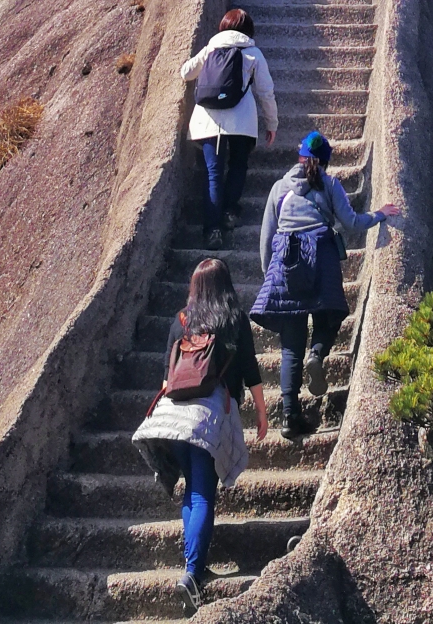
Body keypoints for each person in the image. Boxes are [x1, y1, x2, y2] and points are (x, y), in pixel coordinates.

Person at [132, 258, 265, 613]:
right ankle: (192, 574)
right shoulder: (234, 319)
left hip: (174, 418)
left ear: (195, 287)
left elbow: (167, 379)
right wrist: (262, 416)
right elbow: (251, 372)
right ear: (226, 285)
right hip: (207, 417)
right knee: (204, 492)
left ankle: (195, 565)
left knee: (192, 489)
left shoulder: (181, 321)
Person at [251, 131, 399, 435]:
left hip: (286, 265)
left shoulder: (279, 188)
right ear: (326, 163)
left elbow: (266, 238)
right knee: (330, 317)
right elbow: (352, 223)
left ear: (300, 156)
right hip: (322, 259)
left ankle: (290, 416)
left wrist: (272, 275)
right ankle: (317, 353)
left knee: (290, 346)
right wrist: (380, 214)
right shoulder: (330, 185)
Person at [181, 9, 278, 247]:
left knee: (213, 174)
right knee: (237, 166)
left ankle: (212, 231)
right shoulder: (253, 53)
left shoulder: (210, 49)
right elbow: (266, 92)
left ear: (223, 26)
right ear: (249, 29)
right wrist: (271, 123)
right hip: (241, 122)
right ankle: (230, 212)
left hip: (208, 122)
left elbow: (186, 73)